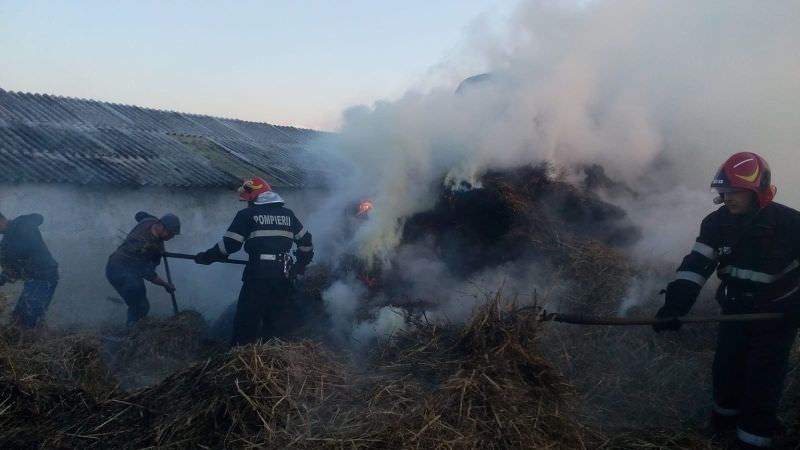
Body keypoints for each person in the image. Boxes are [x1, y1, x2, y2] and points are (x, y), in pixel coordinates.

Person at [653, 152, 800, 449]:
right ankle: (722, 430)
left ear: (758, 191)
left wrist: (794, 307)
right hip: (733, 312)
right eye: (724, 191)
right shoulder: (716, 224)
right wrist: (674, 308)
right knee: (726, 372)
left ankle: (752, 440)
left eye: (734, 192)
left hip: (776, 319)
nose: (727, 198)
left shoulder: (791, 224)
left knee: (763, 383)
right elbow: (696, 267)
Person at [194, 176, 313, 346]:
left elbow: (229, 245)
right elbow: (306, 244)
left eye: (247, 199)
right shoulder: (288, 215)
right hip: (283, 275)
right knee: (275, 321)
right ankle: (273, 361)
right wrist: (298, 266)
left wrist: (206, 257)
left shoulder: (247, 215)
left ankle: (241, 359)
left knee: (247, 319)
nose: (247, 203)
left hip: (258, 274)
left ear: (254, 197)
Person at [106, 212, 179, 324]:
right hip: (119, 270)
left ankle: (132, 327)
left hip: (132, 269)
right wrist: (165, 284)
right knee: (141, 307)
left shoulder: (150, 220)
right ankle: (130, 332)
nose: (172, 237)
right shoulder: (142, 245)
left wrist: (160, 252)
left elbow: (139, 215)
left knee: (139, 301)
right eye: (170, 233)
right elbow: (147, 273)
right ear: (161, 226)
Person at [0, 211, 59, 328]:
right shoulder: (5, 244)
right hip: (32, 280)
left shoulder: (21, 224)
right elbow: (12, 273)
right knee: (17, 318)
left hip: (44, 277)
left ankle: (34, 340)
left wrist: (26, 221)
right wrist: (3, 278)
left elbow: (39, 217)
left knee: (29, 320)